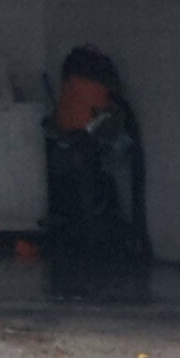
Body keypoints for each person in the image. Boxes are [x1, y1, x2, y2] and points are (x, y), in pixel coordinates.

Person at [45, 43, 150, 278]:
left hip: (78, 143)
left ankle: (90, 240)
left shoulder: (77, 80)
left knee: (83, 187)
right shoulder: (99, 89)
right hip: (84, 143)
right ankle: (90, 240)